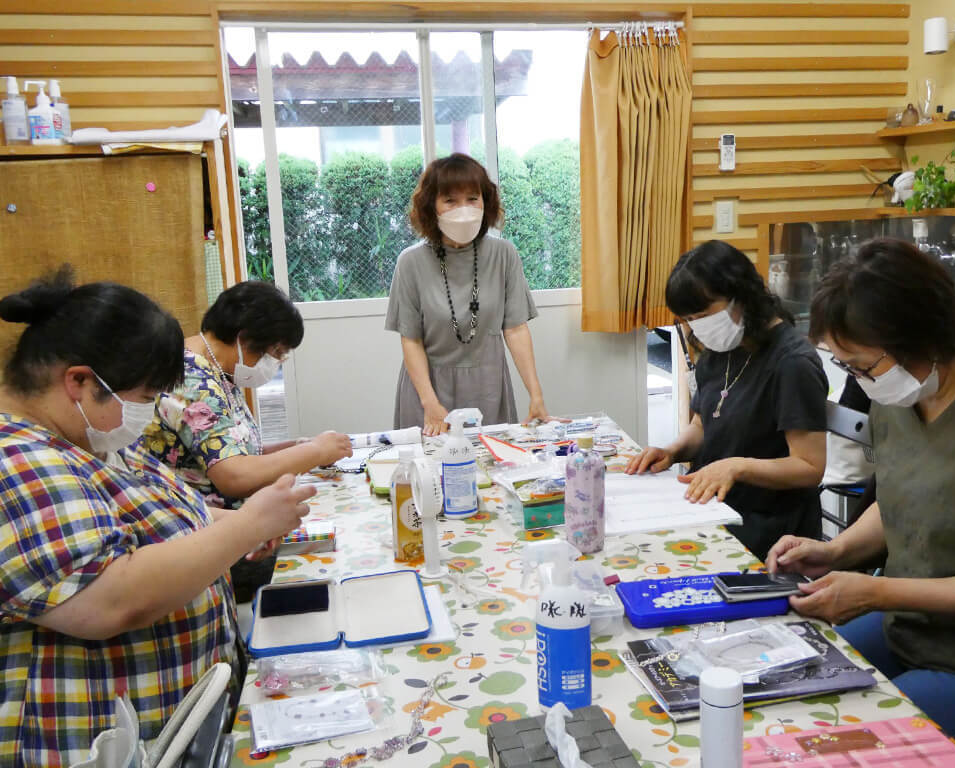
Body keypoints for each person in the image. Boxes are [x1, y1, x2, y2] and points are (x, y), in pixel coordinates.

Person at [0, 269, 313, 766]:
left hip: (182, 716)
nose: (149, 412)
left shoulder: (90, 439)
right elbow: (109, 599)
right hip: (90, 738)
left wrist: (245, 525)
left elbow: (177, 510)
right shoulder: (16, 460)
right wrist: (248, 526)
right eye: (146, 399)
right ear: (79, 382)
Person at [766, 238, 955, 762]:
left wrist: (877, 593)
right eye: (849, 368)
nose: (860, 382)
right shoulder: (901, 391)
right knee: (780, 683)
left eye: (863, 366)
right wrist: (835, 553)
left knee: (841, 748)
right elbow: (905, 497)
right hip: (910, 627)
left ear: (923, 337)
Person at [139, 281, 351, 600]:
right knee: (333, 564)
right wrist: (314, 451)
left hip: (233, 523)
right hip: (206, 536)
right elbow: (234, 476)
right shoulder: (192, 379)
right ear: (244, 339)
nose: (274, 364)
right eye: (276, 354)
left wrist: (298, 448)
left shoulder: (218, 371)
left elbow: (236, 451)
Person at [626, 240, 827, 561]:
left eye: (703, 315)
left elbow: (809, 467)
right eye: (689, 318)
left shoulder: (792, 363)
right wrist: (672, 451)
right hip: (715, 509)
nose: (696, 327)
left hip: (769, 527)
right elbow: (702, 424)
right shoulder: (725, 348)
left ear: (741, 296)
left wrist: (737, 467)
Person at [385, 153, 550, 436]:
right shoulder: (410, 262)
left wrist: (536, 395)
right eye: (450, 200)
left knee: (493, 460)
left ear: (486, 202)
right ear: (432, 206)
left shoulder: (504, 254)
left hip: (488, 389)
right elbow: (411, 340)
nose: (463, 209)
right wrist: (430, 403)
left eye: (472, 198)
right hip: (429, 392)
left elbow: (515, 329)